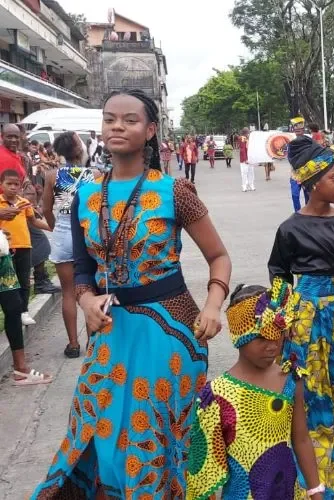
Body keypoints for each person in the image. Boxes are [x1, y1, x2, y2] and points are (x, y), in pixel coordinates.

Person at [32, 89, 232, 497]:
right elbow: (84, 268)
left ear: (151, 130)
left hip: (170, 330)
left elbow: (219, 257)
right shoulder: (87, 193)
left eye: (130, 120)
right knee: (98, 430)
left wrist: (213, 305)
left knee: (156, 437)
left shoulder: (174, 192)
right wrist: (86, 299)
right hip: (110, 330)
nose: (118, 127)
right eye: (110, 119)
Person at [268, 135, 334, 499]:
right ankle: (316, 457)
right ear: (312, 183)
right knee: (308, 384)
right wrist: (280, 316)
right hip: (303, 316)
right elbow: (278, 272)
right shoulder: (289, 228)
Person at [187, 278, 326, 500]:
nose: (271, 346)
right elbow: (204, 468)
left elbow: (301, 439)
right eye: (261, 338)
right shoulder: (216, 395)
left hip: (287, 492)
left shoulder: (291, 380)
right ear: (239, 336)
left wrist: (315, 491)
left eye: (277, 336)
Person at [43, 131, 96, 359]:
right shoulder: (93, 175)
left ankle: (73, 344)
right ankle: (92, 343)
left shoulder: (52, 176)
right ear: (79, 149)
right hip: (85, 235)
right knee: (89, 290)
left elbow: (46, 209)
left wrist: (57, 227)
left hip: (64, 235)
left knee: (67, 292)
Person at [0, 168, 51, 328]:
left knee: (24, 281)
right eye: (9, 184)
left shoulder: (24, 203)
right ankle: (13, 311)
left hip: (25, 246)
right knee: (9, 281)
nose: (13, 187)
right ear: (1, 185)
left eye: (16, 184)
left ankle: (24, 311)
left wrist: (52, 227)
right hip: (6, 250)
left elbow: (34, 222)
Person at [238, 127, 256, 192]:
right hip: (244, 159)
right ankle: (244, 186)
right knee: (244, 173)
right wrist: (245, 159)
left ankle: (251, 185)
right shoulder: (242, 138)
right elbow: (242, 149)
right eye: (248, 132)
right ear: (245, 133)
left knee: (251, 172)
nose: (249, 134)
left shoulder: (249, 138)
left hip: (250, 158)